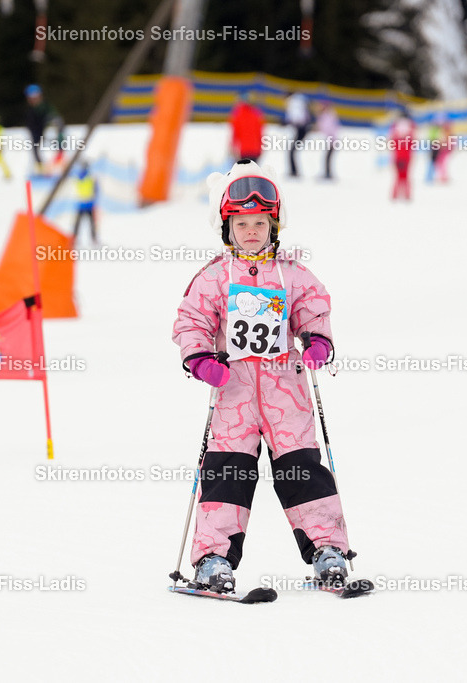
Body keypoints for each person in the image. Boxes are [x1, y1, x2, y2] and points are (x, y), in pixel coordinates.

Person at [172, 159, 350, 593]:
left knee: (303, 469)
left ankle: (328, 550)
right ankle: (213, 558)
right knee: (227, 471)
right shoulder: (214, 277)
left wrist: (316, 339)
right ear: (227, 228)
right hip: (232, 393)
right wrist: (198, 357)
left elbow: (314, 307)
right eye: (242, 223)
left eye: (260, 223)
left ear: (275, 225)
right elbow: (191, 319)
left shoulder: (291, 273)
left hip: (285, 390)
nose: (251, 231)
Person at [24, 84, 64, 175]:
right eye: (31, 98)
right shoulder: (31, 110)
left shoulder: (46, 108)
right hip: (37, 136)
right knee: (36, 149)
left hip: (49, 138)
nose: (33, 100)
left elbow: (56, 121)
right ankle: (42, 168)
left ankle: (53, 167)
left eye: (35, 97)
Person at [228, 94, 264, 163]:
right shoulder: (257, 114)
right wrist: (261, 147)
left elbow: (235, 134)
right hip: (255, 149)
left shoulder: (237, 115)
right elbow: (259, 133)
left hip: (243, 150)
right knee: (254, 171)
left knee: (244, 172)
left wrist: (233, 147)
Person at [283, 92, 312, 177]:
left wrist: (287, 122)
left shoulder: (293, 101)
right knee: (292, 151)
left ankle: (294, 171)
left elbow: (296, 116)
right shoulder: (300, 99)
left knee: (292, 151)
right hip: (303, 128)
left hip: (301, 128)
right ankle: (294, 171)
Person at [390, 112, 415, 200]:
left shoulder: (396, 138)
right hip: (405, 158)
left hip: (399, 158)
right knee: (405, 177)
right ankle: (405, 195)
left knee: (399, 177)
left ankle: (396, 195)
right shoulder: (409, 137)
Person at [72, 161, 98, 244]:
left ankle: (74, 239)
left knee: (79, 224)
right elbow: (95, 190)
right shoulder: (90, 178)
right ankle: (93, 239)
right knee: (91, 224)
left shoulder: (79, 177)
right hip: (88, 204)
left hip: (82, 203)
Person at [315, 100, 340, 180]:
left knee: (327, 158)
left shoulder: (328, 116)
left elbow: (327, 128)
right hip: (332, 139)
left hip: (332, 140)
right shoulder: (329, 115)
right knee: (327, 158)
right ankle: (328, 173)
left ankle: (328, 173)